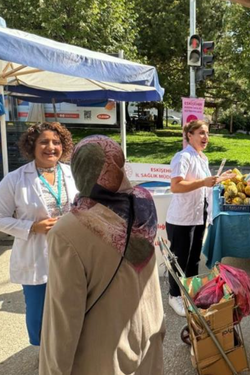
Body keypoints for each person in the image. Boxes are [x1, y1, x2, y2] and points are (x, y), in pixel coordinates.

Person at [39, 135, 164, 374]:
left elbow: (63, 317)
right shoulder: (143, 203)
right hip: (149, 336)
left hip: (104, 356)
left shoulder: (67, 231)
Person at [0, 122, 77, 346]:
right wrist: (32, 227)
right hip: (37, 254)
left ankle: (69, 348)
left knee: (71, 305)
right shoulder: (15, 179)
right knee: (38, 311)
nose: (51, 147)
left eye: (56, 142)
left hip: (71, 252)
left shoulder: (72, 173)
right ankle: (44, 353)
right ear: (32, 146)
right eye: (44, 142)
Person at [165, 120, 231, 316]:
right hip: (182, 218)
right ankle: (174, 295)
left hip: (199, 215)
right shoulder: (182, 157)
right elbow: (176, 186)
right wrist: (203, 181)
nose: (205, 137)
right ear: (189, 135)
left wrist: (219, 180)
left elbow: (203, 185)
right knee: (179, 259)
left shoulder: (202, 158)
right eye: (201, 133)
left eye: (207, 133)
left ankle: (190, 291)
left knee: (193, 258)